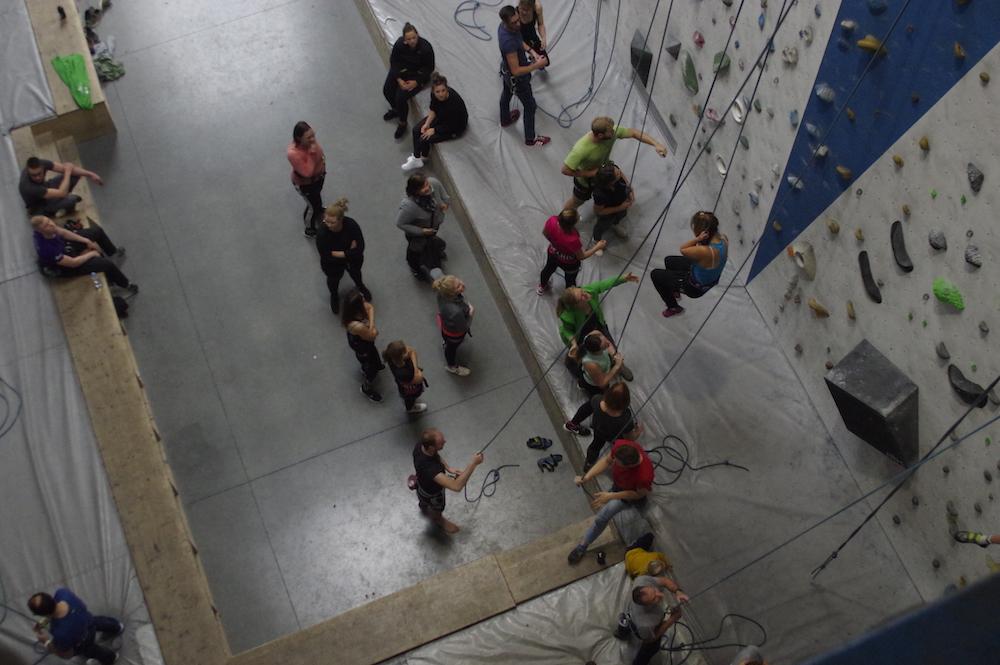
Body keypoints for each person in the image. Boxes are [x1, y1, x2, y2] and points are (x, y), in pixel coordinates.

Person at [568, 439, 654, 564]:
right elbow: (606, 460)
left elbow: (639, 493)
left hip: (627, 493)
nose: (613, 461)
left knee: (602, 517)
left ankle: (583, 546)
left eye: (617, 463)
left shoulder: (644, 476)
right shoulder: (623, 447)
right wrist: (585, 478)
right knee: (604, 512)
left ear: (629, 466)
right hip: (619, 485)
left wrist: (611, 496)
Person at [562, 117, 667, 211]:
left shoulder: (611, 132)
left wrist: (656, 144)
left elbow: (634, 133)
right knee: (577, 201)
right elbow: (565, 170)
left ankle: (613, 218)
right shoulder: (581, 150)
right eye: (611, 131)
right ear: (600, 135)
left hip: (608, 172)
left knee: (619, 193)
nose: (614, 131)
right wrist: (590, 173)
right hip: (586, 182)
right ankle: (563, 220)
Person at [556, 274, 637, 381]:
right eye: (582, 297)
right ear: (576, 305)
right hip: (581, 334)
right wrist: (574, 344)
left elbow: (605, 284)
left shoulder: (588, 291)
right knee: (582, 357)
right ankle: (575, 366)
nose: (585, 294)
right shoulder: (568, 315)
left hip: (597, 326)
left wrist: (623, 278)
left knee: (610, 347)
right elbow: (567, 330)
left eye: (582, 291)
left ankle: (618, 366)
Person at [650, 211, 728, 318]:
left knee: (655, 275)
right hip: (705, 273)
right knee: (669, 261)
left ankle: (673, 307)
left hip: (694, 287)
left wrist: (698, 239)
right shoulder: (723, 238)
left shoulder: (705, 251)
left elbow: (683, 249)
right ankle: (674, 289)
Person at [31, 216, 137, 292]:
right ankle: (126, 285)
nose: (51, 224)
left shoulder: (49, 229)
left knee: (96, 232)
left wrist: (86, 240)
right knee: (106, 264)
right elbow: (72, 263)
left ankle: (112, 252)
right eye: (46, 226)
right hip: (63, 267)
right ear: (41, 231)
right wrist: (91, 254)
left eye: (49, 220)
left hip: (63, 248)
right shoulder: (47, 248)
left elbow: (64, 233)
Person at [413, 429, 485, 533]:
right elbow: (456, 486)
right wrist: (474, 463)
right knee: (437, 507)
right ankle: (438, 519)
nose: (445, 442)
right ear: (432, 447)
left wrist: (447, 468)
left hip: (422, 484)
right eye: (441, 442)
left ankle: (423, 503)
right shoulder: (430, 469)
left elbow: (435, 455)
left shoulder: (421, 446)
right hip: (433, 493)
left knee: (422, 495)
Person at [498, 6, 550, 146]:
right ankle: (530, 138)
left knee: (506, 93)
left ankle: (505, 119)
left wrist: (532, 52)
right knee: (530, 106)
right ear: (505, 21)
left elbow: (519, 40)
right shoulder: (508, 42)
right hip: (518, 78)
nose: (518, 24)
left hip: (506, 72)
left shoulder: (507, 28)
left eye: (518, 20)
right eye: (514, 22)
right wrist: (537, 65)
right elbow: (516, 71)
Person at [28, 589, 123, 665]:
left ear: (45, 614)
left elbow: (66, 655)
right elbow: (54, 611)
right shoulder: (63, 593)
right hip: (89, 620)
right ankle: (117, 627)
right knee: (101, 622)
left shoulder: (61, 634)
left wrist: (46, 642)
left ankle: (111, 658)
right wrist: (43, 623)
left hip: (84, 641)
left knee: (91, 650)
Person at [565, 381, 642, 472]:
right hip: (615, 437)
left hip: (598, 429)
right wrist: (638, 431)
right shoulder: (624, 419)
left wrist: (574, 422)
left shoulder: (597, 400)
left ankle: (589, 463)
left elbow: (585, 409)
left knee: (595, 446)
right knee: (620, 450)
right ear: (625, 401)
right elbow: (628, 439)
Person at [618, 573, 689, 665]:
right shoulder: (645, 624)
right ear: (646, 606)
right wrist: (671, 620)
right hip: (642, 628)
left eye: (654, 590)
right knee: (649, 649)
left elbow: (665, 581)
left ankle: (622, 632)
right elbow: (648, 640)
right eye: (654, 599)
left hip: (631, 614)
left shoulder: (642, 581)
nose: (659, 595)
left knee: (625, 625)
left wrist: (678, 591)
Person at [402, 72, 468, 170]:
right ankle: (417, 158)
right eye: (437, 92)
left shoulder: (454, 104)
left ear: (447, 89)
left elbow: (452, 125)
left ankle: (422, 156)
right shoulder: (434, 96)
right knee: (417, 130)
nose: (441, 94)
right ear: (433, 91)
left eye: (443, 90)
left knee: (423, 139)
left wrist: (434, 130)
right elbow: (434, 109)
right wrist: (427, 124)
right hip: (442, 117)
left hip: (454, 128)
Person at [316, 199, 369, 314]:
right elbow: (326, 257)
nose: (328, 225)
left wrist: (337, 253)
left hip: (354, 260)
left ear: (341, 220)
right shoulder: (322, 233)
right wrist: (349, 251)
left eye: (332, 223)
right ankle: (334, 295)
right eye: (326, 221)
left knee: (356, 273)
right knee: (333, 280)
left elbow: (360, 248)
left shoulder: (351, 225)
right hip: (332, 265)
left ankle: (360, 286)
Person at [383, 23, 435, 140]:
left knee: (400, 98)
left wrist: (416, 82)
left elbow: (429, 68)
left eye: (414, 38)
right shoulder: (399, 45)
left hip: (416, 75)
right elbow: (394, 61)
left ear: (417, 35)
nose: (412, 41)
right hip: (402, 71)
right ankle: (395, 110)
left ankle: (402, 123)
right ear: (404, 40)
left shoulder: (426, 48)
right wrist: (398, 79)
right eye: (409, 39)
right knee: (387, 90)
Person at [396, 173, 451, 281]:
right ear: (415, 191)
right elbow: (400, 223)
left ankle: (434, 251)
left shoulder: (433, 183)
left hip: (433, 226)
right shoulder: (409, 206)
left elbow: (444, 194)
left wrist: (446, 202)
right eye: (423, 188)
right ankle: (415, 268)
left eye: (427, 184)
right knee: (415, 251)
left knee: (431, 242)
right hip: (418, 235)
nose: (428, 188)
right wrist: (421, 231)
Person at [537, 209, 605, 295]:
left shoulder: (552, 220)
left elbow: (545, 233)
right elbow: (581, 256)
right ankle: (570, 297)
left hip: (553, 253)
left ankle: (542, 287)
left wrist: (555, 243)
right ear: (572, 224)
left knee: (548, 269)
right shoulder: (572, 239)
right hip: (569, 263)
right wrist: (597, 247)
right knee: (570, 280)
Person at [19, 156, 103, 216]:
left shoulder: (43, 163)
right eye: (33, 175)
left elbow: (67, 168)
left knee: (73, 176)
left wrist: (91, 174)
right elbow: (62, 193)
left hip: (46, 187)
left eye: (39, 173)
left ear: (42, 167)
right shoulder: (28, 186)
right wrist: (67, 172)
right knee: (71, 198)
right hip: (40, 207)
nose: (37, 177)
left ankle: (63, 202)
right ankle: (63, 208)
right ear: (28, 171)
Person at [342, 289, 385, 403]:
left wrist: (370, 327)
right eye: (362, 300)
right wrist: (372, 330)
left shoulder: (353, 312)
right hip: (363, 348)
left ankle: (371, 366)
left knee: (374, 356)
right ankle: (366, 387)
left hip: (366, 344)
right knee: (372, 369)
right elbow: (371, 336)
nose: (365, 302)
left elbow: (370, 308)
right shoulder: (356, 325)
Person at [287, 121, 326, 238]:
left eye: (313, 135)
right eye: (309, 137)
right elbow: (307, 172)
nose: (313, 139)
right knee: (311, 207)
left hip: (318, 179)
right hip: (306, 185)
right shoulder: (293, 154)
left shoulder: (309, 141)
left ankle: (318, 209)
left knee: (316, 199)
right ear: (299, 138)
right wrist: (312, 154)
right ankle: (309, 229)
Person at [432, 275, 474, 376]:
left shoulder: (442, 292)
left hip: (445, 323)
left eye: (460, 281)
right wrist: (471, 313)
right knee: (451, 349)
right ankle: (451, 367)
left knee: (448, 341)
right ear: (451, 292)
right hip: (454, 333)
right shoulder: (456, 312)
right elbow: (464, 327)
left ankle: (447, 342)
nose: (462, 284)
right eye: (458, 286)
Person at [591, 163, 634, 255]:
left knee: (621, 215)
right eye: (618, 174)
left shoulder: (613, 169)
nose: (620, 172)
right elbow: (599, 211)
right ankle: (596, 241)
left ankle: (615, 224)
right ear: (611, 181)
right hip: (608, 213)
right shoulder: (600, 194)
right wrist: (620, 207)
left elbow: (622, 176)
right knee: (602, 226)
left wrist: (629, 190)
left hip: (621, 204)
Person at [570, 330, 626, 399]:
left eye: (605, 340)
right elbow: (602, 383)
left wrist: (614, 355)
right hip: (593, 384)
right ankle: (583, 387)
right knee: (597, 394)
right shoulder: (591, 364)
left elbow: (599, 333)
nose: (608, 343)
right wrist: (616, 366)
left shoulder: (592, 337)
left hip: (603, 369)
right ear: (596, 352)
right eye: (605, 345)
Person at [384, 340, 427, 413]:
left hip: (404, 383)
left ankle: (407, 401)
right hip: (410, 390)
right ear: (401, 357)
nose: (408, 350)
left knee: (406, 394)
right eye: (405, 351)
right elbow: (419, 378)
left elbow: (412, 351)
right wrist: (416, 370)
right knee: (410, 399)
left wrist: (415, 370)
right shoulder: (403, 373)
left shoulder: (391, 358)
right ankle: (409, 408)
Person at [518, 0, 548, 67]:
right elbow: (516, 38)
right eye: (522, 9)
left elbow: (540, 24)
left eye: (528, 10)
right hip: (518, 37)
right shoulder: (515, 14)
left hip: (530, 33)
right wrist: (532, 51)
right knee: (520, 67)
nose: (525, 12)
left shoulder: (537, 8)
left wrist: (543, 37)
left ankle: (532, 58)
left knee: (545, 61)